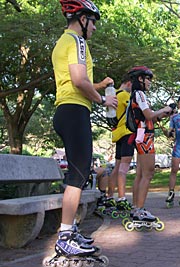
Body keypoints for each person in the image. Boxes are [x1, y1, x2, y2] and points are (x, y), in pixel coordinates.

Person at [51, 0, 117, 257]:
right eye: (94, 22)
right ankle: (65, 236)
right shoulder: (78, 42)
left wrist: (98, 87)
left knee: (78, 175)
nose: (95, 28)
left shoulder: (62, 42)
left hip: (66, 110)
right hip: (75, 110)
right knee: (77, 177)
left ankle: (70, 230)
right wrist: (102, 100)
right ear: (82, 19)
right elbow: (79, 81)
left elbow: (75, 80)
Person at [126, 66, 174, 222]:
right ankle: (140, 210)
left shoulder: (135, 95)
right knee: (148, 173)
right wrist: (165, 108)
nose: (150, 83)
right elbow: (149, 115)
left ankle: (135, 208)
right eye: (148, 79)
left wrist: (163, 114)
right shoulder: (139, 94)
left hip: (141, 135)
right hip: (145, 137)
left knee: (140, 175)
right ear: (140, 79)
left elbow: (151, 117)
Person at [104, 72, 136, 213]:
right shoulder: (124, 95)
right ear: (129, 83)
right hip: (127, 133)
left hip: (118, 135)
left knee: (117, 168)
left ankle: (110, 196)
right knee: (124, 168)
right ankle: (122, 198)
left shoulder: (112, 96)